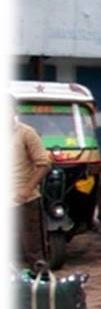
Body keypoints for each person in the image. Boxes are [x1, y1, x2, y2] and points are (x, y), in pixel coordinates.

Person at [13, 100, 51, 268]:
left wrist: (27, 190)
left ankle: (39, 281)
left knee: (33, 253)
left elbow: (44, 164)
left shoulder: (26, 133)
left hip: (24, 202)